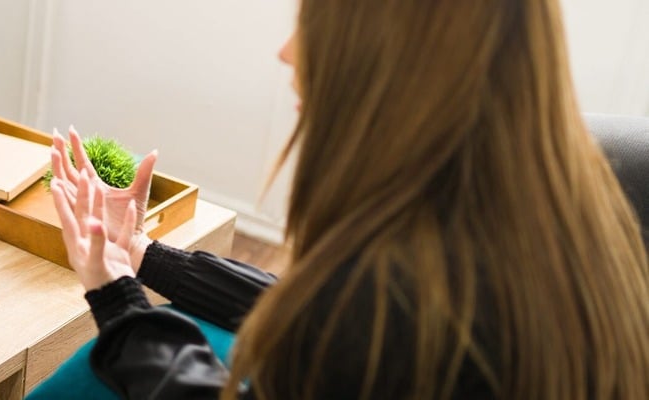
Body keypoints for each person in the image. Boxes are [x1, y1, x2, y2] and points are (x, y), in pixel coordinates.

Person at [47, 0, 649, 398]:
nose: (288, 52)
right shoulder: (559, 199)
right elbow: (320, 318)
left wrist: (117, 298)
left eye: (314, 26)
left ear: (390, 62)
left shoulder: (398, 277)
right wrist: (148, 256)